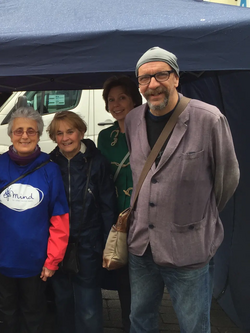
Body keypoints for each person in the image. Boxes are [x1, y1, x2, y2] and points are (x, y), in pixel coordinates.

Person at [126, 46, 240, 333]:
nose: (152, 84)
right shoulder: (133, 120)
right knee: (140, 319)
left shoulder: (209, 119)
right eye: (144, 78)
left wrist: (196, 216)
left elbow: (227, 179)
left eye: (160, 74)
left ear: (176, 78)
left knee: (194, 326)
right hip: (142, 248)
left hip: (189, 249)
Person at [0, 106, 70, 333]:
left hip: (36, 264)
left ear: (38, 135)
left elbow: (60, 219)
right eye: (18, 131)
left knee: (34, 316)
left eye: (31, 131)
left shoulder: (50, 169)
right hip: (1, 261)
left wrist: (52, 260)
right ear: (10, 135)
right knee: (4, 315)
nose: (24, 136)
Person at [47, 111, 116, 333]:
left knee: (88, 304)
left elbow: (108, 206)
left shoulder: (98, 163)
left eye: (70, 131)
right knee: (63, 302)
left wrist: (108, 243)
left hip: (89, 243)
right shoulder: (49, 163)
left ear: (81, 132)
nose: (65, 138)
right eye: (59, 133)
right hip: (57, 245)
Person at [97, 76, 143, 332]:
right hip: (118, 219)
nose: (116, 104)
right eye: (111, 99)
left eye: (122, 98)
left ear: (134, 100)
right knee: (124, 279)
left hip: (145, 217)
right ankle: (129, 324)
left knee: (144, 281)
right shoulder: (106, 136)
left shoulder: (151, 132)